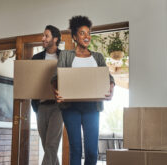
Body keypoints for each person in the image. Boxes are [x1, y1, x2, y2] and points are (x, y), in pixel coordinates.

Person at [51, 16, 115, 165]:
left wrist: (111, 89)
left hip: (92, 107)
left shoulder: (97, 57)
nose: (87, 37)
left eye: (88, 33)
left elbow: (109, 78)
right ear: (74, 36)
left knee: (92, 151)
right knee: (75, 149)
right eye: (82, 33)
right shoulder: (66, 55)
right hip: (70, 107)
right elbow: (55, 78)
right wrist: (56, 92)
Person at [31, 25, 63, 165]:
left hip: (58, 107)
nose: (43, 38)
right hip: (41, 106)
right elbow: (31, 81)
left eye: (46, 36)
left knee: (51, 145)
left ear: (55, 39)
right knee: (48, 147)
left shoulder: (64, 57)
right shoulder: (36, 58)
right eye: (43, 36)